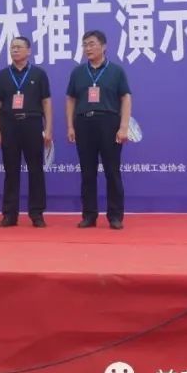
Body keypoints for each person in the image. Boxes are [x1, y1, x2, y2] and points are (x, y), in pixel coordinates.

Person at [65, 30, 132, 230]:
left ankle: (115, 216)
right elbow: (70, 99)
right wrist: (70, 125)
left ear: (104, 46)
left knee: (112, 171)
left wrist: (124, 127)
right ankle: (89, 215)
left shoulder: (116, 71)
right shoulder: (77, 72)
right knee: (87, 172)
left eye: (92, 44)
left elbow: (125, 98)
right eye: (85, 44)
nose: (88, 48)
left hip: (109, 123)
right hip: (84, 123)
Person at [0, 36, 52, 228]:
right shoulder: (2, 75)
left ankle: (37, 214)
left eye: (18, 47)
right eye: (12, 47)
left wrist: (48, 128)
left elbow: (46, 102)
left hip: (32, 123)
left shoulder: (39, 74)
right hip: (9, 125)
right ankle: (10, 215)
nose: (14, 50)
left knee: (36, 170)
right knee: (11, 171)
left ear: (29, 51)